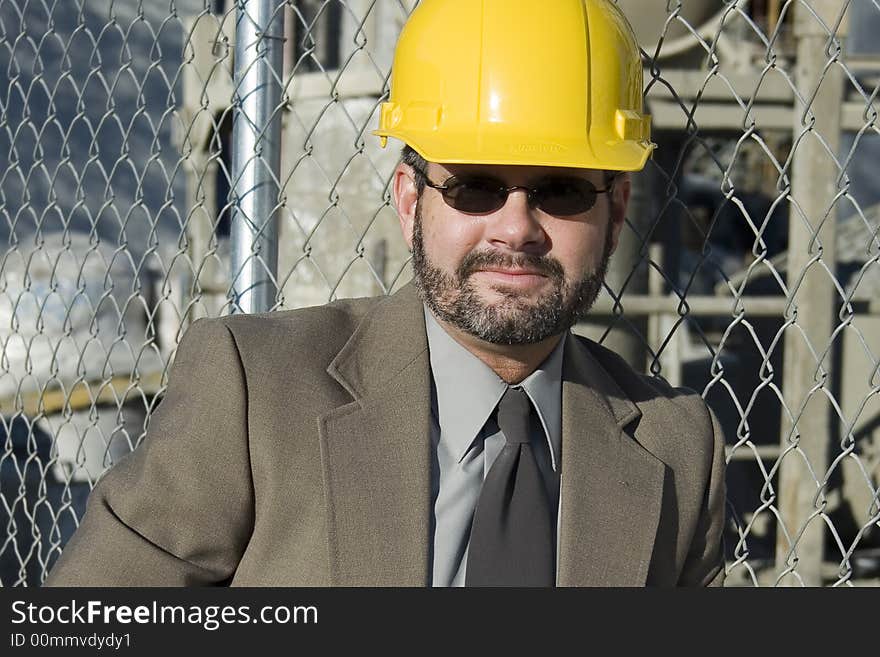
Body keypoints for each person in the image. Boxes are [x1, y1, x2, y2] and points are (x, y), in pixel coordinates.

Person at [45, 0, 725, 587]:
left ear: (617, 209)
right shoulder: (257, 394)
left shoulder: (678, 450)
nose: (517, 228)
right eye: (475, 186)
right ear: (409, 202)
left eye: (563, 190)